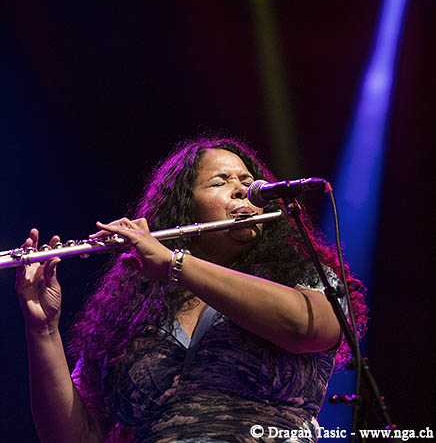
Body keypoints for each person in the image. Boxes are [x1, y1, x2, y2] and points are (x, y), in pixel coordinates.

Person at [16, 136, 367, 443]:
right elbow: (77, 437)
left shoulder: (298, 275)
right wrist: (44, 329)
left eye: (248, 181)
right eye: (220, 182)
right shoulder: (130, 311)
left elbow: (311, 328)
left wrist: (175, 263)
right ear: (184, 208)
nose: (242, 189)